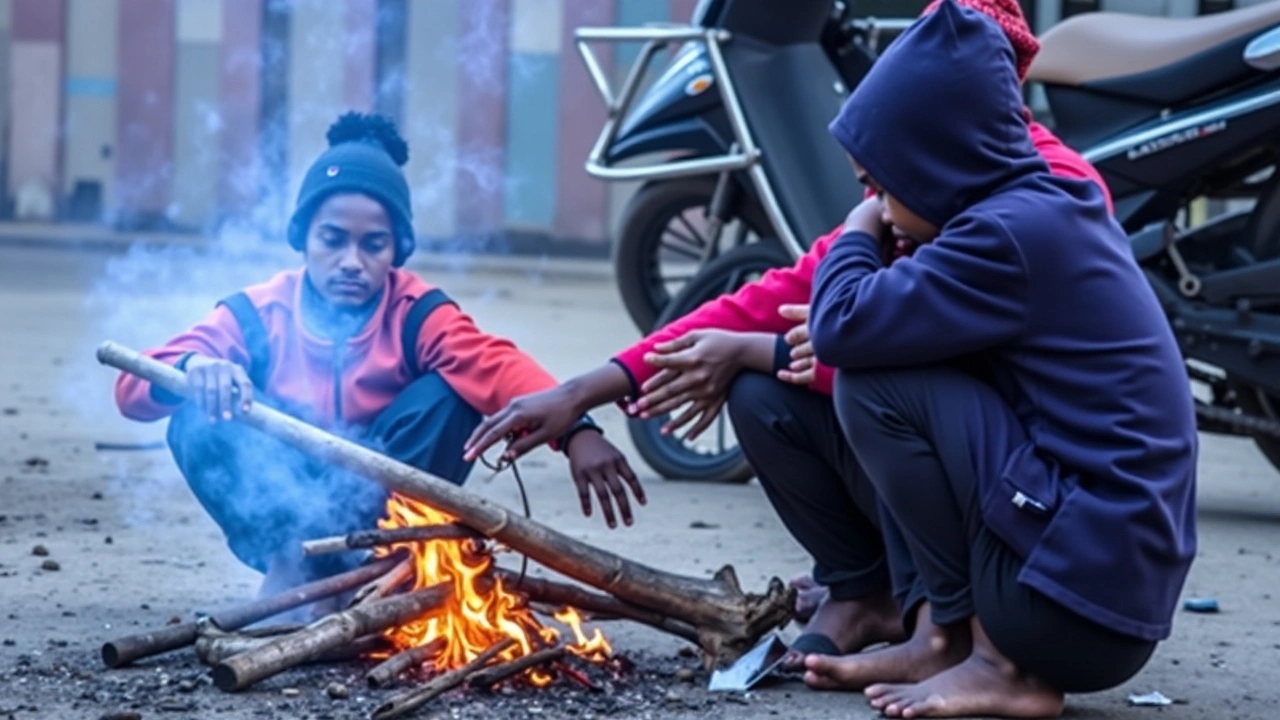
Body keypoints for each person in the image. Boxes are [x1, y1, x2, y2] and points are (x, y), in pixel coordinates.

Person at [462, 0, 1112, 672]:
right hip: (982, 472)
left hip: (1033, 499)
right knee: (763, 392)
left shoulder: (1036, 204)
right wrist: (584, 392)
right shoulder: (925, 184)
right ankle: (867, 591)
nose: (874, 203)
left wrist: (761, 349)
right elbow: (782, 292)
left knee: (863, 380)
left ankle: (944, 626)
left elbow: (945, 365)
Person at [800, 2, 1196, 716]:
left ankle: (996, 662)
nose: (880, 207)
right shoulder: (1035, 205)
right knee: (904, 368)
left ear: (937, 160)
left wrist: (859, 231)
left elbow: (841, 327)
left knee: (874, 381)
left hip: (1069, 607)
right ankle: (946, 638)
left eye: (884, 186)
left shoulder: (1008, 235)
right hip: (1095, 592)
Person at [114, 112, 640, 599]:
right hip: (280, 512)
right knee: (194, 407)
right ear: (302, 239)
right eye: (332, 240)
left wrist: (578, 431)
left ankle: (378, 566)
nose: (351, 261)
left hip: (384, 516)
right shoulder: (257, 314)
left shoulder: (415, 312)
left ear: (397, 250)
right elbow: (133, 390)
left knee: (452, 396)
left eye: (373, 245)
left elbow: (497, 366)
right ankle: (293, 570)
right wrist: (195, 369)